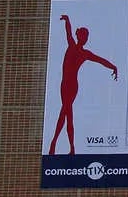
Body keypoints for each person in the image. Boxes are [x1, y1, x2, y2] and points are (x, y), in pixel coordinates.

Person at [48, 14, 118, 155]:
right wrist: (67, 21)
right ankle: (69, 147)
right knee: (67, 113)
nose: (85, 39)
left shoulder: (84, 53)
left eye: (86, 37)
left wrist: (113, 67)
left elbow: (100, 60)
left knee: (65, 113)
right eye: (84, 36)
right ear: (79, 36)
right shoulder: (72, 45)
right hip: (65, 84)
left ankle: (56, 144)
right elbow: (68, 32)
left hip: (72, 86)